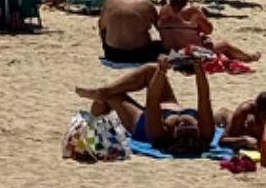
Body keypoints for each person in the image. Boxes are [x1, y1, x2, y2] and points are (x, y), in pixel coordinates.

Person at [75, 56, 217, 156]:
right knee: (151, 70)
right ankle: (102, 94)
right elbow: (204, 97)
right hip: (168, 104)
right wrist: (199, 69)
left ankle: (93, 118)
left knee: (111, 97)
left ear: (172, 135)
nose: (183, 125)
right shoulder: (206, 133)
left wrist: (162, 71)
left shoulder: (159, 135)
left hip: (142, 122)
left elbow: (152, 101)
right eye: (190, 131)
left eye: (181, 131)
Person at [157, 0, 258, 62]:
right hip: (189, 52)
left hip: (169, 52)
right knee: (224, 45)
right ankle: (249, 57)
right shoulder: (192, 11)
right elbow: (209, 30)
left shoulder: (163, 10)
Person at [98, 0, 163, 64]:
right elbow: (161, 29)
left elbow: (102, 28)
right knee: (160, 45)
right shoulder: (145, 4)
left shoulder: (109, 2)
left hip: (112, 54)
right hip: (138, 54)